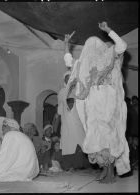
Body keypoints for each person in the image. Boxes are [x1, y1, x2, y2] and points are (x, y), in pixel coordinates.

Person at [64, 21, 130, 183]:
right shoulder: (85, 64)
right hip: (92, 105)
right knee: (95, 139)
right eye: (90, 47)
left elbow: (121, 46)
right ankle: (105, 170)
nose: (92, 49)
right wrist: (66, 45)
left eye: (95, 46)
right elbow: (70, 63)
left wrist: (109, 30)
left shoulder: (109, 57)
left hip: (108, 103)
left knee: (109, 138)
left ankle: (111, 174)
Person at [0, 118, 39, 183]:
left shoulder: (10, 135)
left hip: (20, 171)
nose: (2, 130)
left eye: (4, 127)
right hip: (31, 172)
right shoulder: (22, 135)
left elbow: (3, 161)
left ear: (9, 127)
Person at [55, 70, 86, 156]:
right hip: (66, 120)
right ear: (64, 81)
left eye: (70, 79)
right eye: (67, 79)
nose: (68, 81)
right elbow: (60, 109)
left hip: (77, 119)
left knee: (80, 139)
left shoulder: (78, 91)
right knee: (68, 141)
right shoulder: (62, 92)